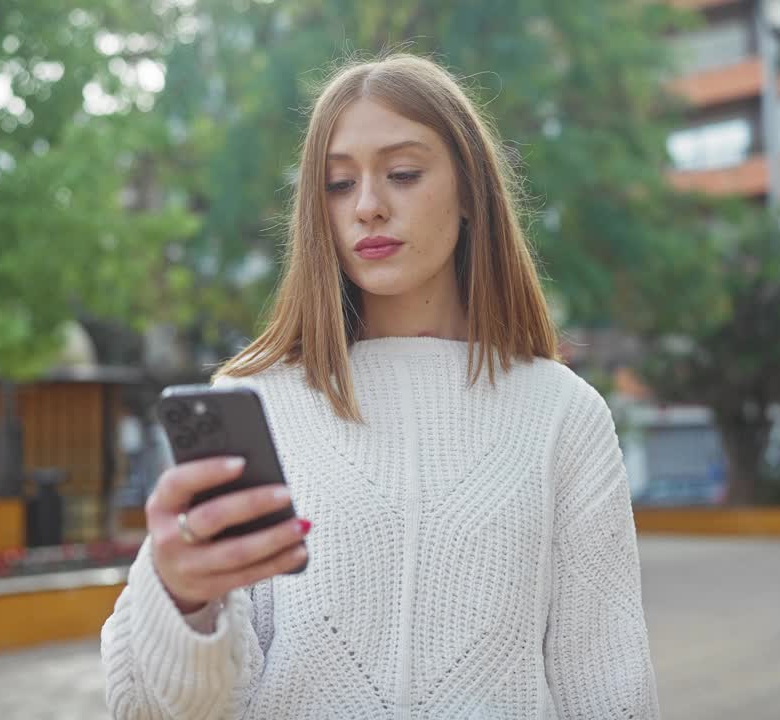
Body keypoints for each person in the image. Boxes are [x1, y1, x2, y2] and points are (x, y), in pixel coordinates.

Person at [100, 53, 659, 719]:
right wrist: (185, 604)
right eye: (338, 185)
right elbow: (161, 708)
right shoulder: (253, 401)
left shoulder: (562, 415)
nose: (367, 206)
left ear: (471, 192)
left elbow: (606, 687)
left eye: (402, 174)